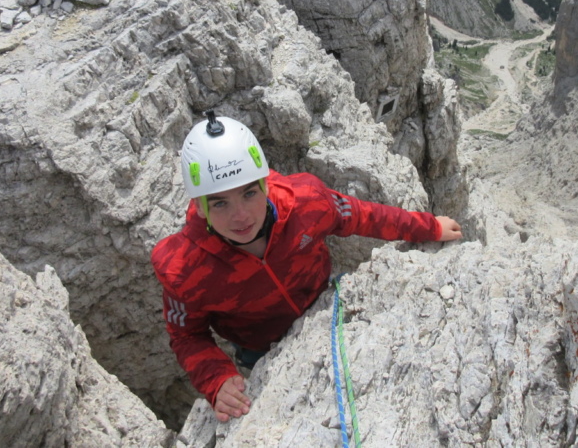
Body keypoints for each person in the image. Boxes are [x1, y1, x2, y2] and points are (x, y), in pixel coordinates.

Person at [151, 111, 462, 422]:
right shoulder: (184, 269)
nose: (241, 215)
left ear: (265, 185)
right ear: (201, 209)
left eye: (249, 193)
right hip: (260, 350)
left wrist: (428, 226)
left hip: (323, 310)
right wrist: (216, 379)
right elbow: (187, 335)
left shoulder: (306, 202)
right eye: (220, 203)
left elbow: (359, 214)